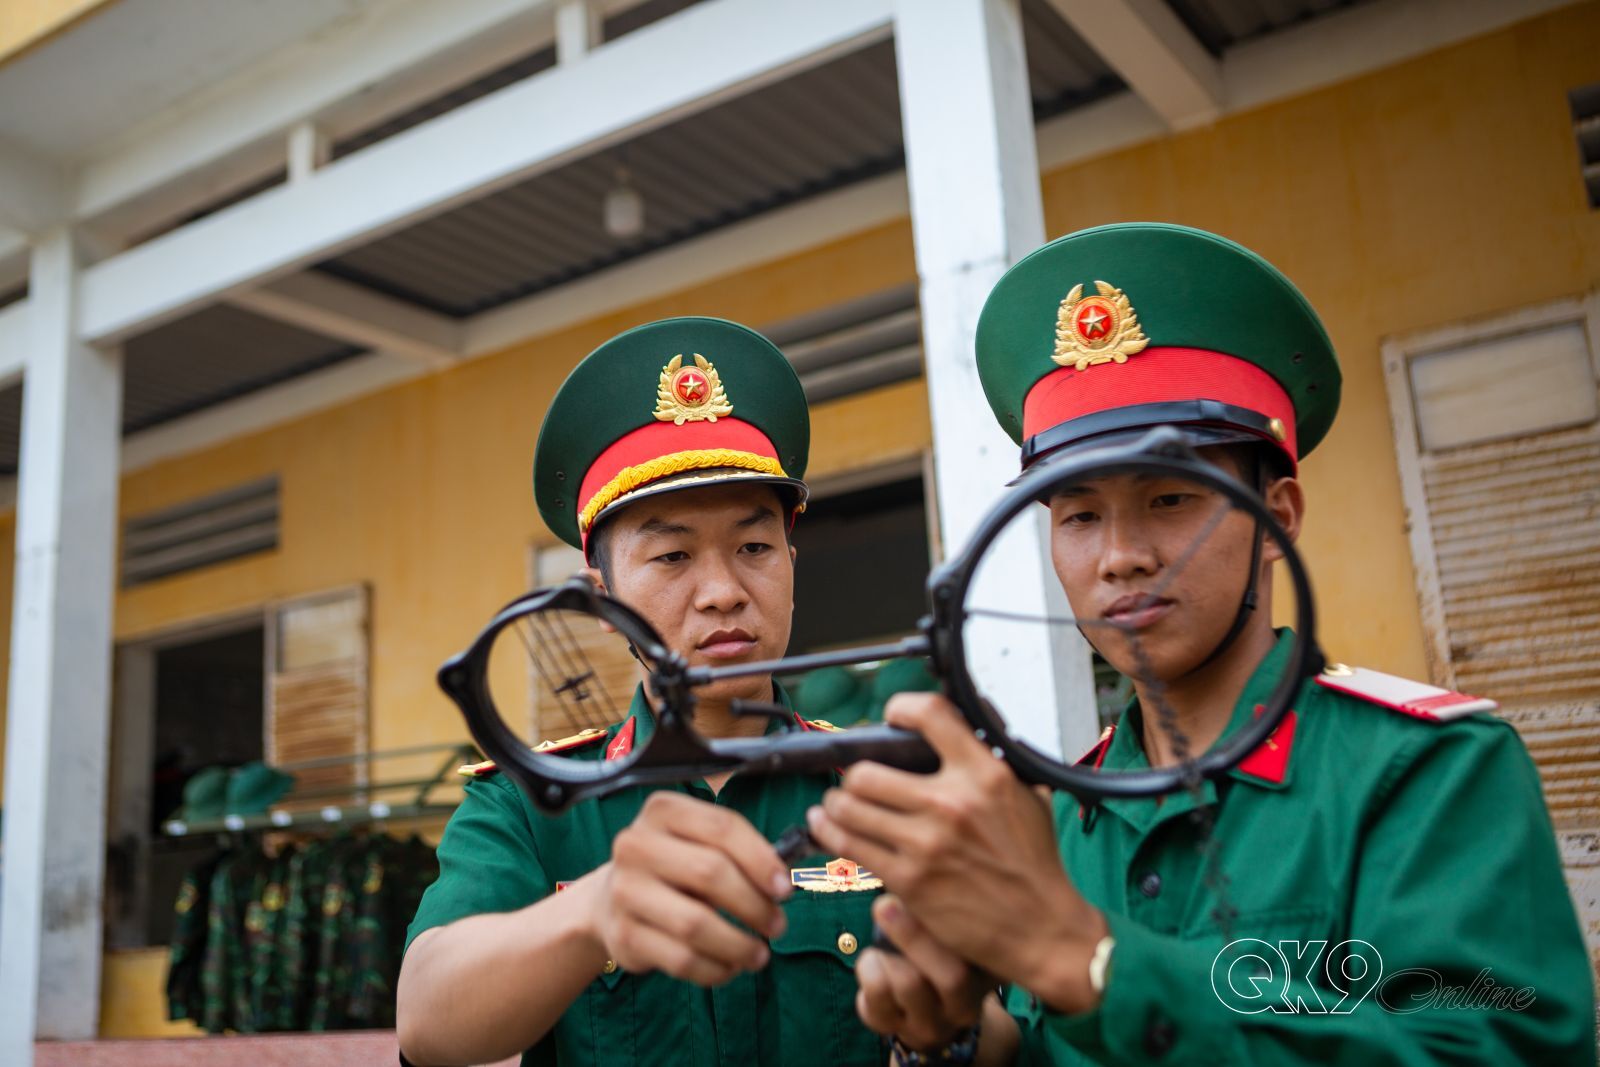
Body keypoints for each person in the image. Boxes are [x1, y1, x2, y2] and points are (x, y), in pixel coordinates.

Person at [804, 223, 1597, 1064]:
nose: (1120, 556)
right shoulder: (1066, 814)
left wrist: (1092, 963)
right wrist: (959, 1037)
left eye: (1171, 498)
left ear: (1277, 517)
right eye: (1079, 513)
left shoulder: (1430, 772)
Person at [398, 317, 887, 1066]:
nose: (723, 591)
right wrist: (594, 909)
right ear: (603, 599)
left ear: (790, 563)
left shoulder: (879, 789)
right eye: (672, 556)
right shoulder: (530, 803)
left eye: (754, 546)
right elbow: (428, 1021)